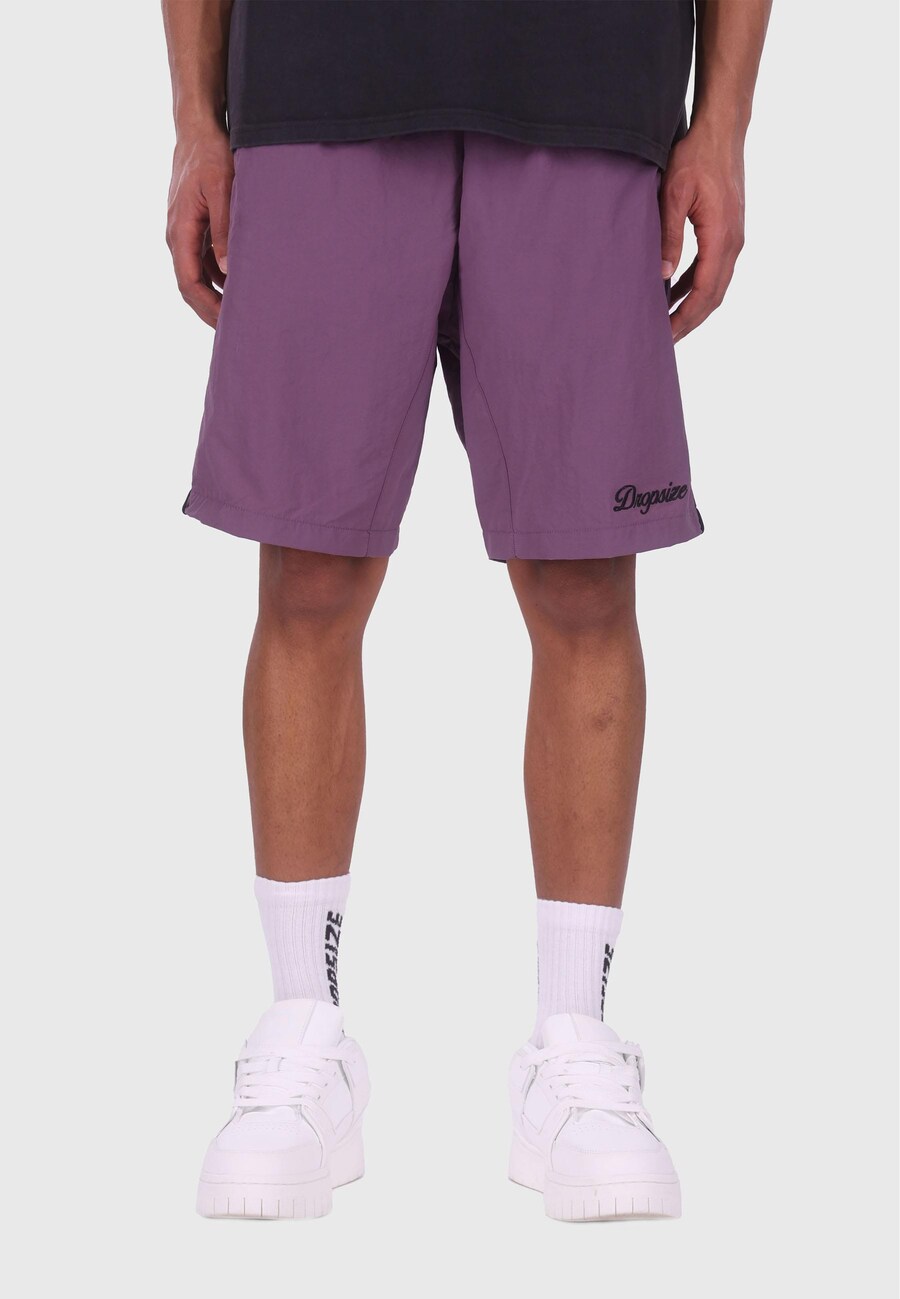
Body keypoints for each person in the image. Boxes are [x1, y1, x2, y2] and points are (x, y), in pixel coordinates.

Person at [163, 0, 770, 1222]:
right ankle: (305, 1037)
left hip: (592, 78)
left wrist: (721, 125)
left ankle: (575, 1053)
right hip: (320, 71)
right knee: (310, 566)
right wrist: (194, 120)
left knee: (584, 574)